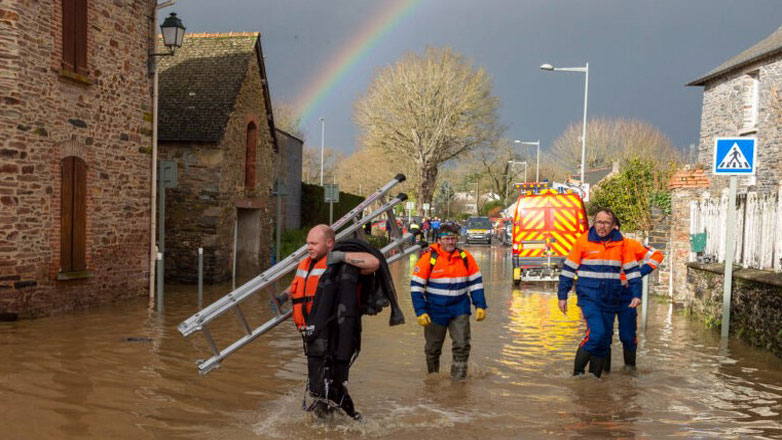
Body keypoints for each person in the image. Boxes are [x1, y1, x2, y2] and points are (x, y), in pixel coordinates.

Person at [281, 224, 381, 420]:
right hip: (311, 334)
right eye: (307, 243)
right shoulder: (305, 263)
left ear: (329, 243)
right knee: (318, 386)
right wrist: (282, 297)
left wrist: (342, 257)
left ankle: (347, 419)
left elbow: (374, 263)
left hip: (334, 334)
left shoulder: (342, 263)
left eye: (313, 243)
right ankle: (338, 421)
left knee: (330, 385)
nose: (308, 247)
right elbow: (297, 286)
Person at [557, 209, 641, 378]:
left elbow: (632, 272)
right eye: (599, 222)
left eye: (606, 223)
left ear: (613, 226)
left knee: (604, 341)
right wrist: (562, 296)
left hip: (611, 297)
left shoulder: (622, 244)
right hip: (589, 297)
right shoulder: (583, 242)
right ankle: (577, 375)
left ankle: (595, 379)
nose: (602, 226)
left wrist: (636, 294)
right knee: (596, 333)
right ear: (593, 223)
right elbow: (568, 271)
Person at [410, 223, 487, 380]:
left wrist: (480, 305)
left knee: (462, 345)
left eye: (453, 239)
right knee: (433, 348)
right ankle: (433, 377)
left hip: (459, 308)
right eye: (447, 239)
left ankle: (458, 381)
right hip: (435, 310)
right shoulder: (428, 259)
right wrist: (420, 311)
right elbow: (416, 287)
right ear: (439, 240)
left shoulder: (466, 257)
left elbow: (476, 284)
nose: (450, 242)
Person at [603, 219, 664, 372]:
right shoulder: (597, 246)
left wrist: (639, 274)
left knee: (628, 335)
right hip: (605, 295)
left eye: (606, 225)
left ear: (615, 227)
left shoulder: (631, 244)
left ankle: (630, 372)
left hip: (627, 294)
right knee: (603, 335)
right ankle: (603, 374)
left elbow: (657, 255)